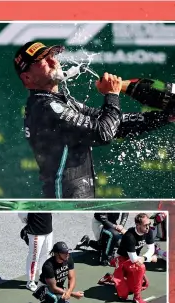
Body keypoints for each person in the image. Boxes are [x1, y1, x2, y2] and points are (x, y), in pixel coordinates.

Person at [14, 40, 174, 199]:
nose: (53, 61)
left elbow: (115, 125)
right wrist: (112, 95)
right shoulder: (46, 107)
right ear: (27, 78)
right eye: (43, 60)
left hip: (76, 198)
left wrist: (166, 117)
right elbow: (103, 133)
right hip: (66, 201)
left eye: (52, 55)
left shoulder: (58, 102)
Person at [15, 241, 84, 303]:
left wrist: (69, 291)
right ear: (56, 254)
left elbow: (72, 277)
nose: (67, 254)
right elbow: (53, 288)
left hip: (58, 287)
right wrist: (72, 294)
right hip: (43, 287)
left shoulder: (68, 259)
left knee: (61, 299)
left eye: (67, 252)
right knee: (57, 298)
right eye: (64, 253)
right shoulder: (48, 266)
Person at [112, 213, 157, 303]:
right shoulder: (129, 236)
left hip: (133, 259)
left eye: (149, 224)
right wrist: (149, 258)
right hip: (121, 260)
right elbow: (134, 260)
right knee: (123, 295)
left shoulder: (148, 231)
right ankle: (112, 278)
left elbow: (151, 249)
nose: (148, 227)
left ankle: (135, 295)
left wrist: (144, 258)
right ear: (138, 225)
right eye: (145, 225)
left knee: (144, 284)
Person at [18, 212, 53, 291]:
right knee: (34, 257)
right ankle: (30, 281)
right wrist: (29, 222)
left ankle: (43, 277)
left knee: (46, 255)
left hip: (48, 229)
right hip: (35, 231)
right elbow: (22, 212)